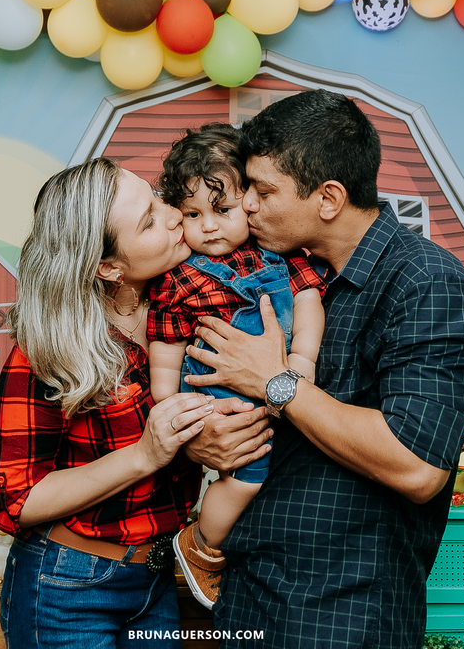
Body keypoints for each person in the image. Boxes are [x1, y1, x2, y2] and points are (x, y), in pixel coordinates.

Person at [183, 89, 464, 649]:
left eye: (263, 191)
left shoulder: (428, 284)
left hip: (339, 612)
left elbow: (417, 466)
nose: (246, 205)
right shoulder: (295, 276)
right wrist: (206, 440)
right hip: (252, 591)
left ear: (328, 198)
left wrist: (275, 382)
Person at [0, 158, 257, 648]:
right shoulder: (50, 348)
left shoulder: (195, 301)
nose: (174, 215)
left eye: (158, 199)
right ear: (108, 267)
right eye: (149, 221)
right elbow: (19, 501)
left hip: (156, 578)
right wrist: (145, 455)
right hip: (66, 585)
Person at [146, 123, 325, 609]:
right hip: (219, 401)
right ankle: (202, 545)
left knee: (287, 473)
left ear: (248, 200)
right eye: (193, 214)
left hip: (283, 384)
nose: (208, 226)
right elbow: (166, 344)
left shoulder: (279, 254)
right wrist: (172, 405)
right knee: (248, 477)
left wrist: (302, 358)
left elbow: (308, 301)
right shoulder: (178, 278)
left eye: (221, 210)